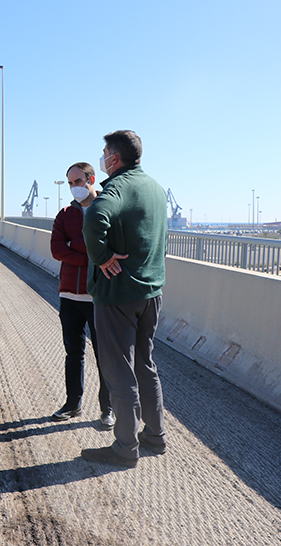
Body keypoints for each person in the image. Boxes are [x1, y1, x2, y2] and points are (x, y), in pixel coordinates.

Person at [81, 130, 168, 468]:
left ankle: (125, 447)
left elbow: (93, 219)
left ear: (113, 159)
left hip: (118, 294)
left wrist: (102, 257)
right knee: (146, 365)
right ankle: (155, 435)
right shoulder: (156, 188)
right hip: (152, 292)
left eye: (104, 153)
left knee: (119, 371)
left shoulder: (117, 187)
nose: (103, 158)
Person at [50, 162, 114, 429]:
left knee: (105, 355)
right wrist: (91, 254)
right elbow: (57, 250)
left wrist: (73, 244)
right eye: (70, 183)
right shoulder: (65, 214)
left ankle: (107, 409)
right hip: (69, 296)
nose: (74, 187)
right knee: (73, 353)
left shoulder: (108, 208)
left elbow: (112, 246)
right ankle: (72, 403)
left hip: (99, 297)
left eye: (78, 181)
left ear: (91, 179)